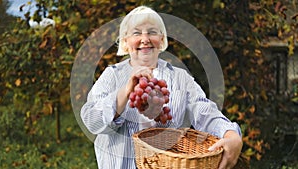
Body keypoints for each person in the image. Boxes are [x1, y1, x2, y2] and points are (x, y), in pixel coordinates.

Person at [80, 5, 243, 169]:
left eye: (152, 31)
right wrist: (125, 92)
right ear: (125, 41)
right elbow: (91, 122)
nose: (145, 39)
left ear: (162, 39)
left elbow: (205, 111)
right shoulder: (112, 75)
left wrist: (231, 134)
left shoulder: (180, 77)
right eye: (136, 33)